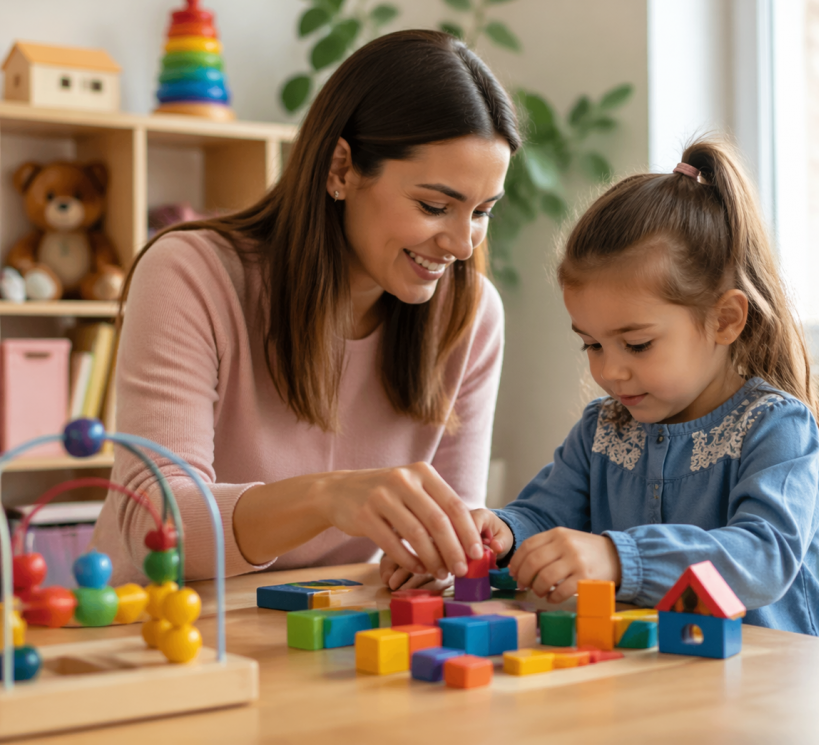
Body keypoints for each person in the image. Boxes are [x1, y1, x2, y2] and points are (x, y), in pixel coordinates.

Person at [92, 30, 520, 585]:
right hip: (161, 635)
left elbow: (446, 533)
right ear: (341, 169)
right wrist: (327, 497)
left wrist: (445, 552)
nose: (463, 244)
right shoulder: (190, 274)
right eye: (435, 206)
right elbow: (157, 526)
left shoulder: (470, 313)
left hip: (321, 638)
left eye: (483, 210)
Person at [472, 138, 819, 639]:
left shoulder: (777, 427)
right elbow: (545, 513)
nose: (610, 373)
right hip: (661, 680)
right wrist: (504, 532)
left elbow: (764, 556)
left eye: (638, 344)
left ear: (725, 319)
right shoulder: (603, 429)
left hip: (779, 686)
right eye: (592, 345)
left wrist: (616, 557)